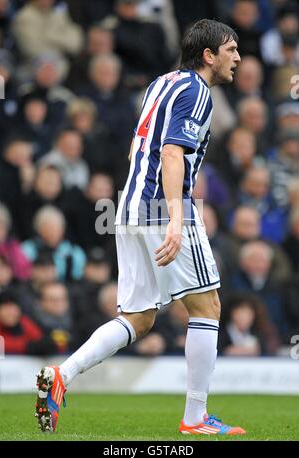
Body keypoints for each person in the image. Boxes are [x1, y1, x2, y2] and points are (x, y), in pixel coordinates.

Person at [34, 19, 246, 436]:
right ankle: (195, 419)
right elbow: (171, 152)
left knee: (139, 317)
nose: (237, 57)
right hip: (162, 208)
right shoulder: (198, 92)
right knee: (208, 307)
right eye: (231, 49)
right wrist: (173, 217)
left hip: (128, 207)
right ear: (209, 55)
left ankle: (63, 374)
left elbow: (140, 145)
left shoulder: (161, 83)